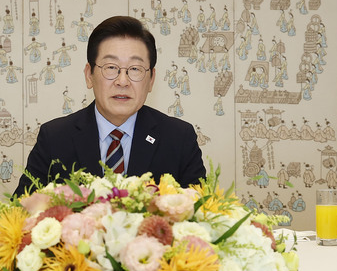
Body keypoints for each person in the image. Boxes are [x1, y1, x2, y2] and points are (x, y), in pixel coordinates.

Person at [14, 15, 206, 195]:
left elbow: (202, 212)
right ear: (89, 75)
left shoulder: (179, 139)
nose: (122, 81)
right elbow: (23, 209)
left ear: (151, 80)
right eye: (111, 67)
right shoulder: (55, 138)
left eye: (135, 69)